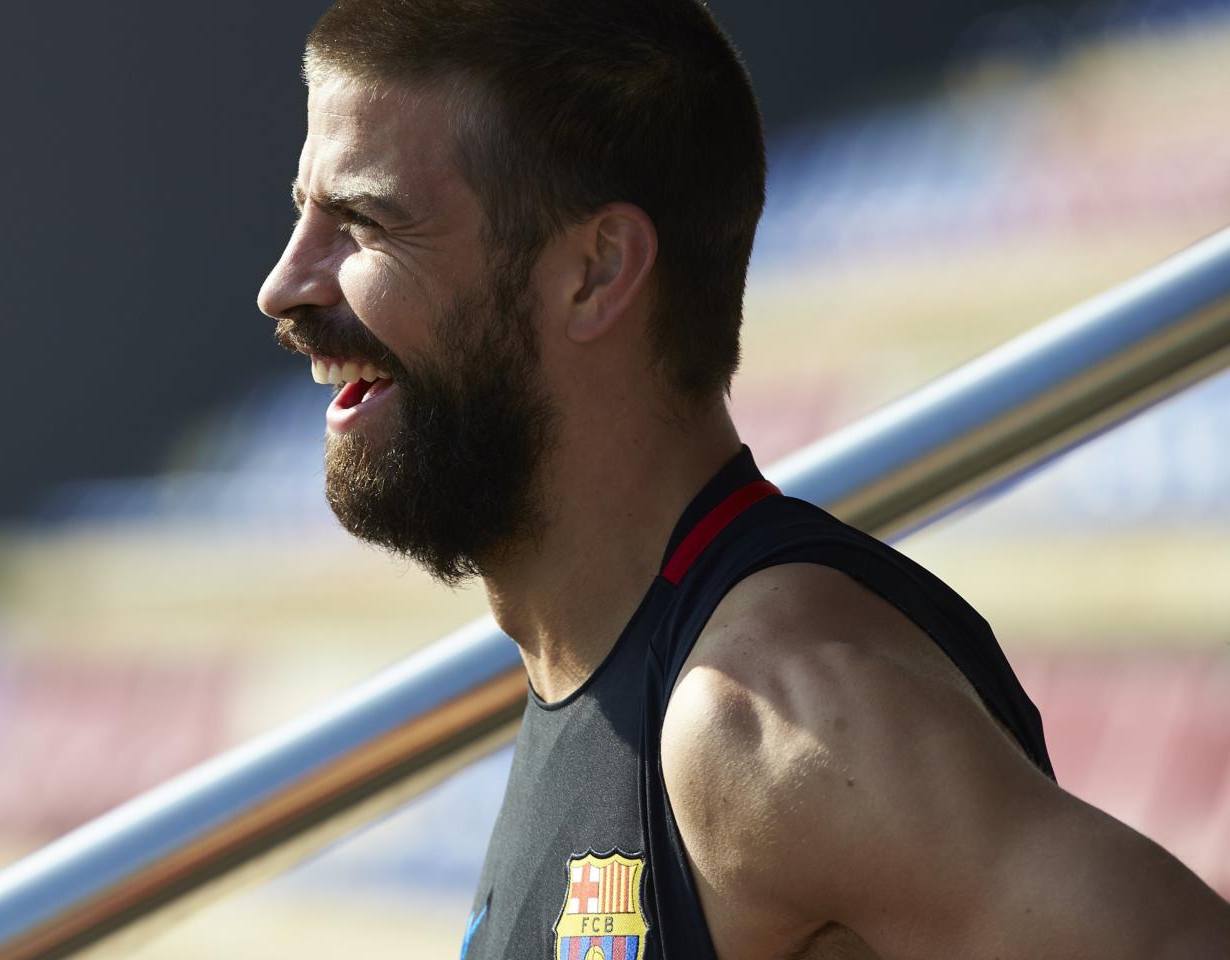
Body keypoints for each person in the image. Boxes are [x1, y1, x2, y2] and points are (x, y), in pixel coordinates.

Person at [254, 1, 1230, 957]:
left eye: (362, 222)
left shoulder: (769, 709)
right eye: (303, 214)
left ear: (594, 270)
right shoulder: (604, 667)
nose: (284, 286)